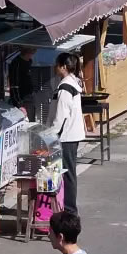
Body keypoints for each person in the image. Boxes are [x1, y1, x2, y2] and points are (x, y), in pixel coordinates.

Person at [51, 52, 85, 213]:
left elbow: (61, 115)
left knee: (68, 173)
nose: (55, 67)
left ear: (63, 67)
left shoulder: (65, 87)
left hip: (67, 136)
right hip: (72, 134)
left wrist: (52, 135)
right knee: (69, 172)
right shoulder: (73, 82)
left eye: (57, 65)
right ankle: (68, 208)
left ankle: (70, 210)